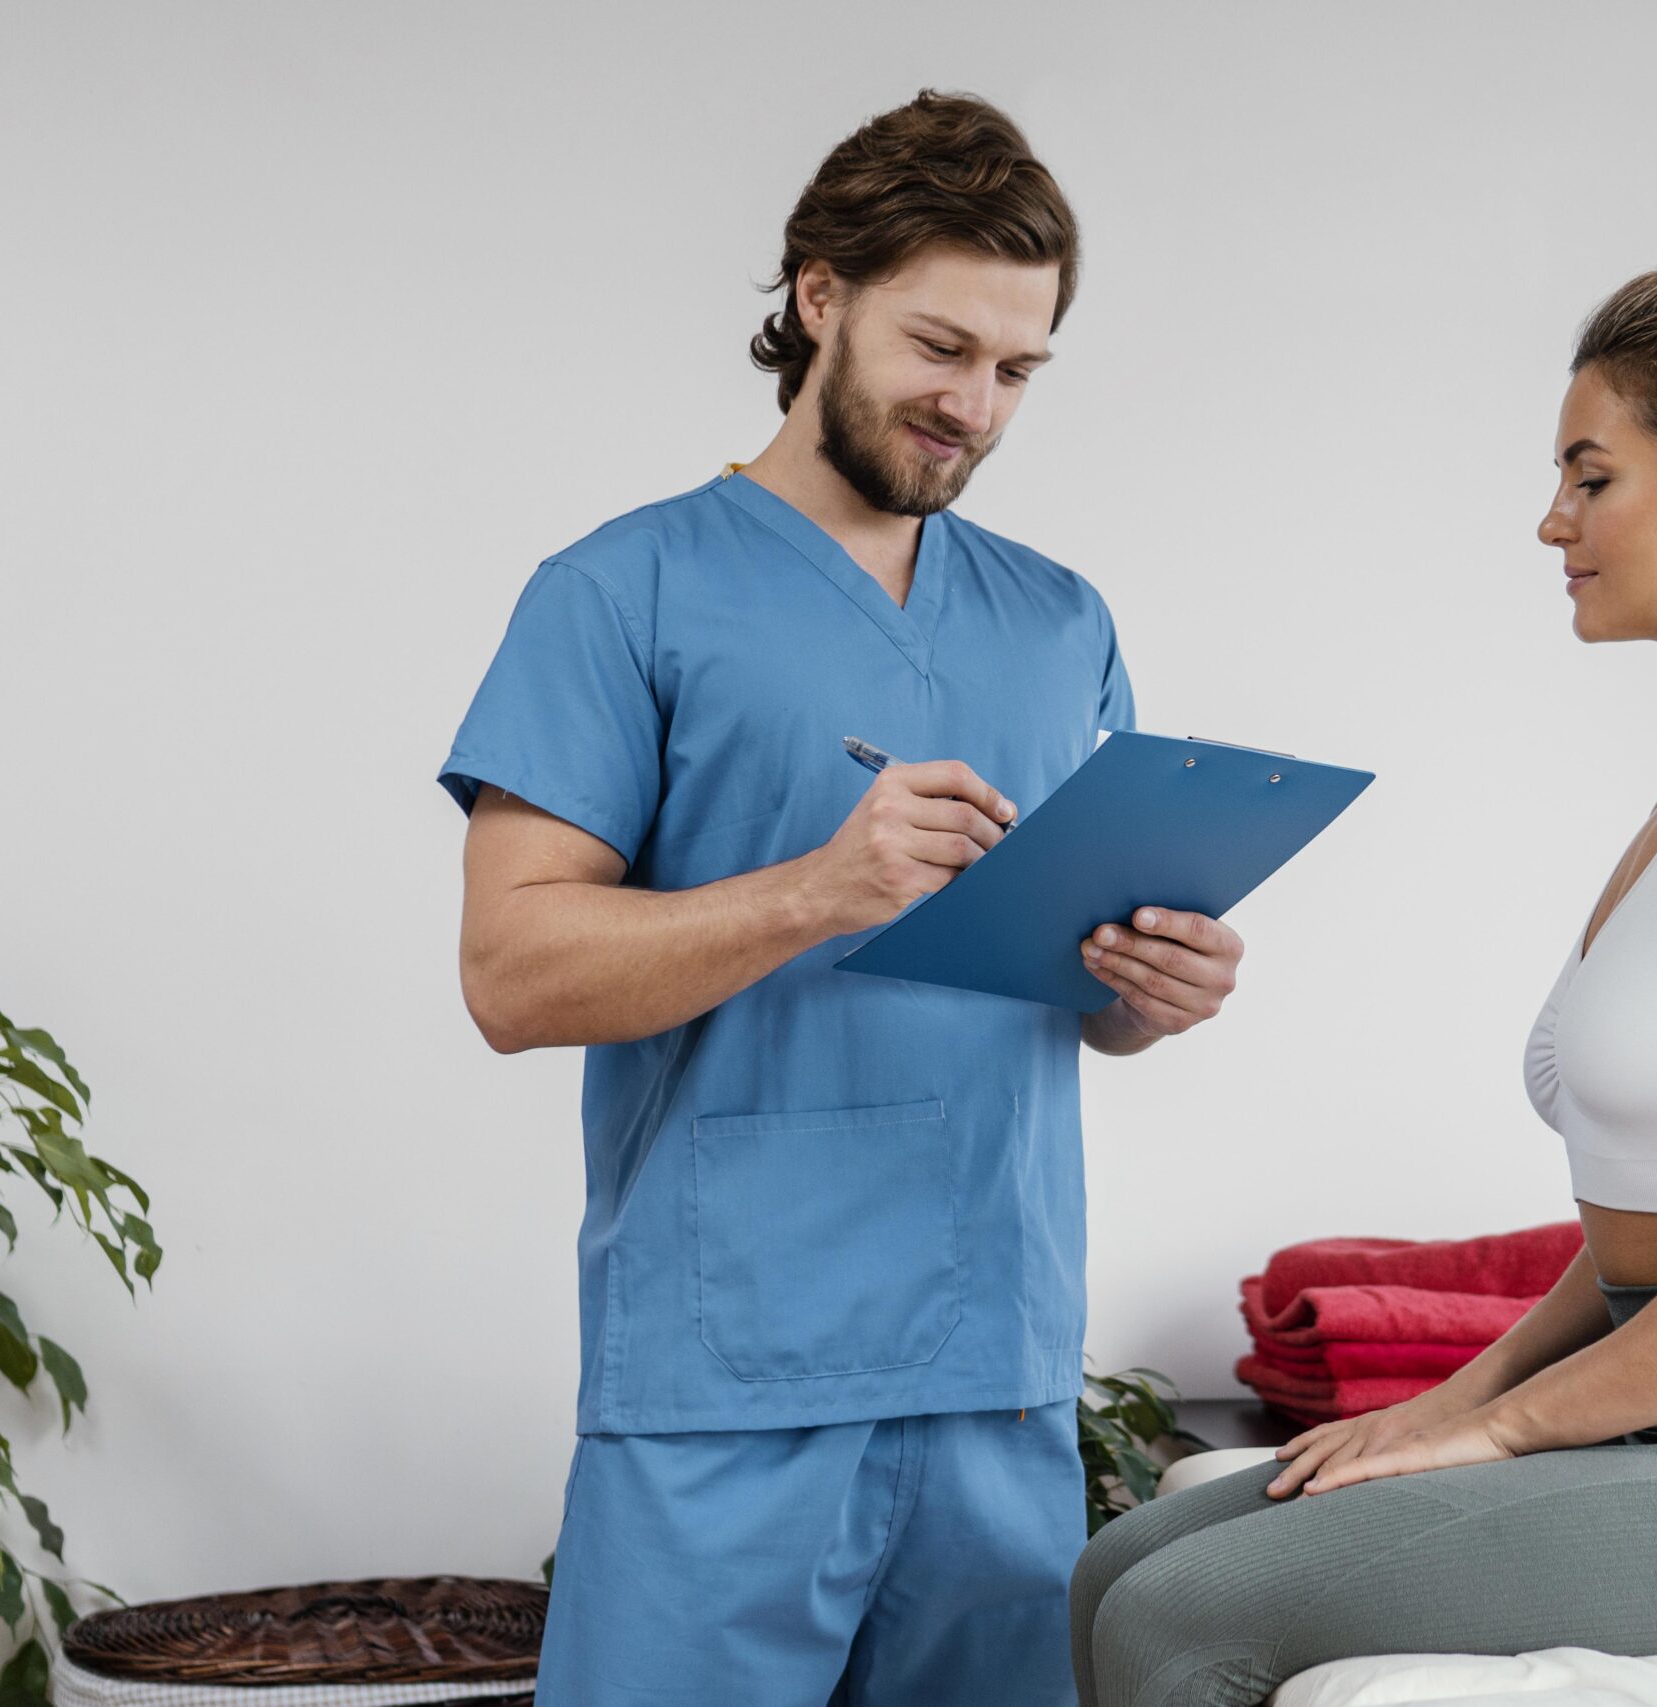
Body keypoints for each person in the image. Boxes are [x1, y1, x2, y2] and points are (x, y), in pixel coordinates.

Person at [1068, 195, 1657, 1705]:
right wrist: (1452, 1399)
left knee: (1176, 1616)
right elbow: (1651, 1224)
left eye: (1593, 477)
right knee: (1123, 1563)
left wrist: (1501, 1431)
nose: (1551, 521)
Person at [436, 90, 1246, 1707]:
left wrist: (1149, 987)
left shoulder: (1059, 622)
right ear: (820, 297)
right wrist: (815, 888)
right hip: (723, 1399)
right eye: (941, 348)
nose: (975, 407)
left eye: (1017, 371)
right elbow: (512, 974)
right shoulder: (621, 593)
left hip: (997, 1384)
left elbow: (1082, 1004)